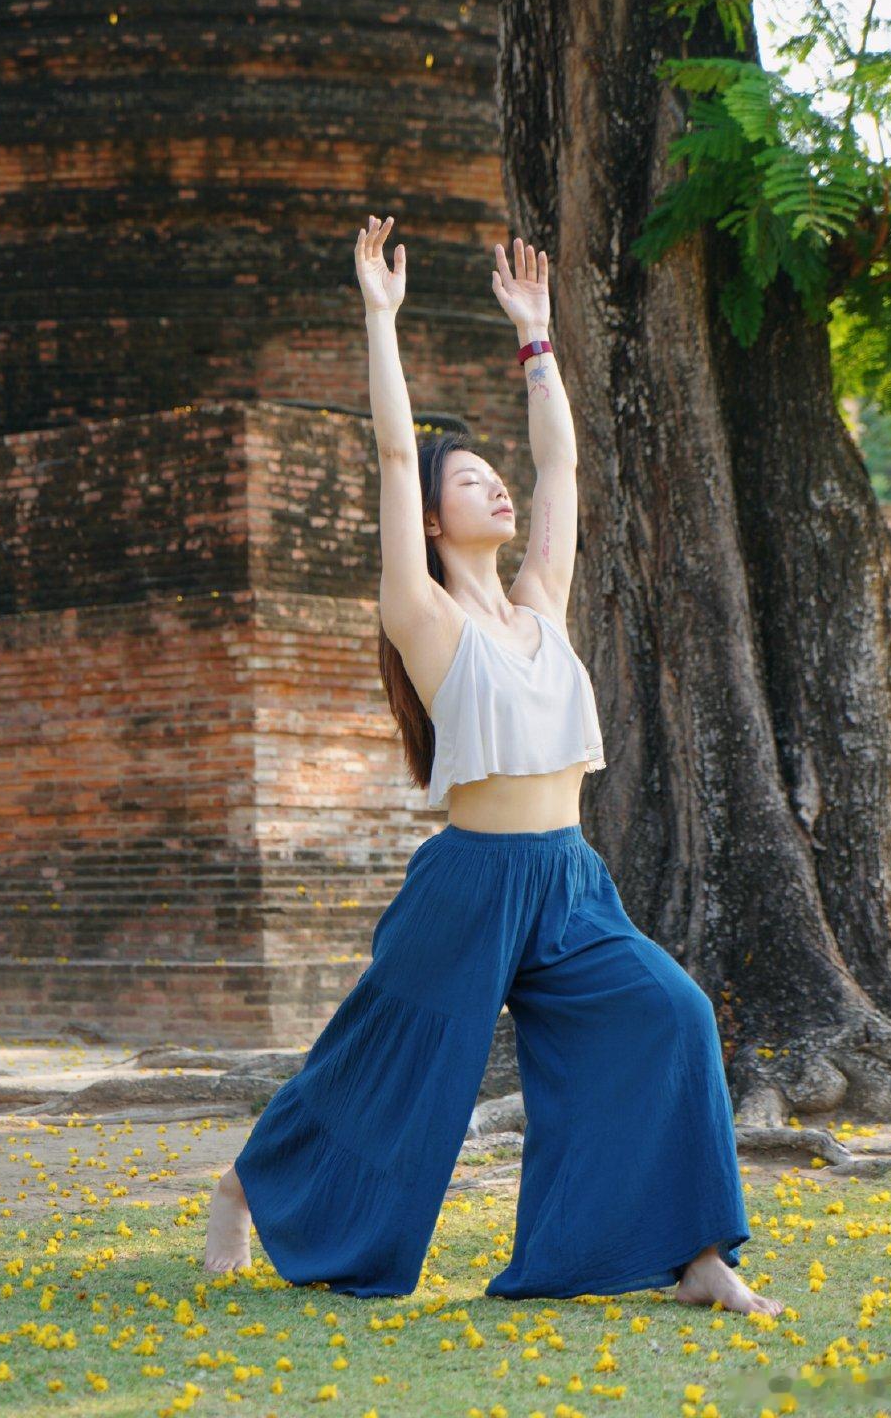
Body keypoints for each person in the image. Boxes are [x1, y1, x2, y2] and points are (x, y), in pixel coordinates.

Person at [203, 215, 783, 1316]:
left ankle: (698, 1257)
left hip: (570, 880)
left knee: (670, 1015)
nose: (499, 488)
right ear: (431, 521)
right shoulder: (423, 618)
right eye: (471, 482)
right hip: (471, 884)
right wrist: (381, 318)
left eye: (492, 476)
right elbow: (392, 453)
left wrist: (537, 339)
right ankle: (247, 1184)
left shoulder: (540, 607)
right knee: (385, 1060)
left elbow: (561, 460)